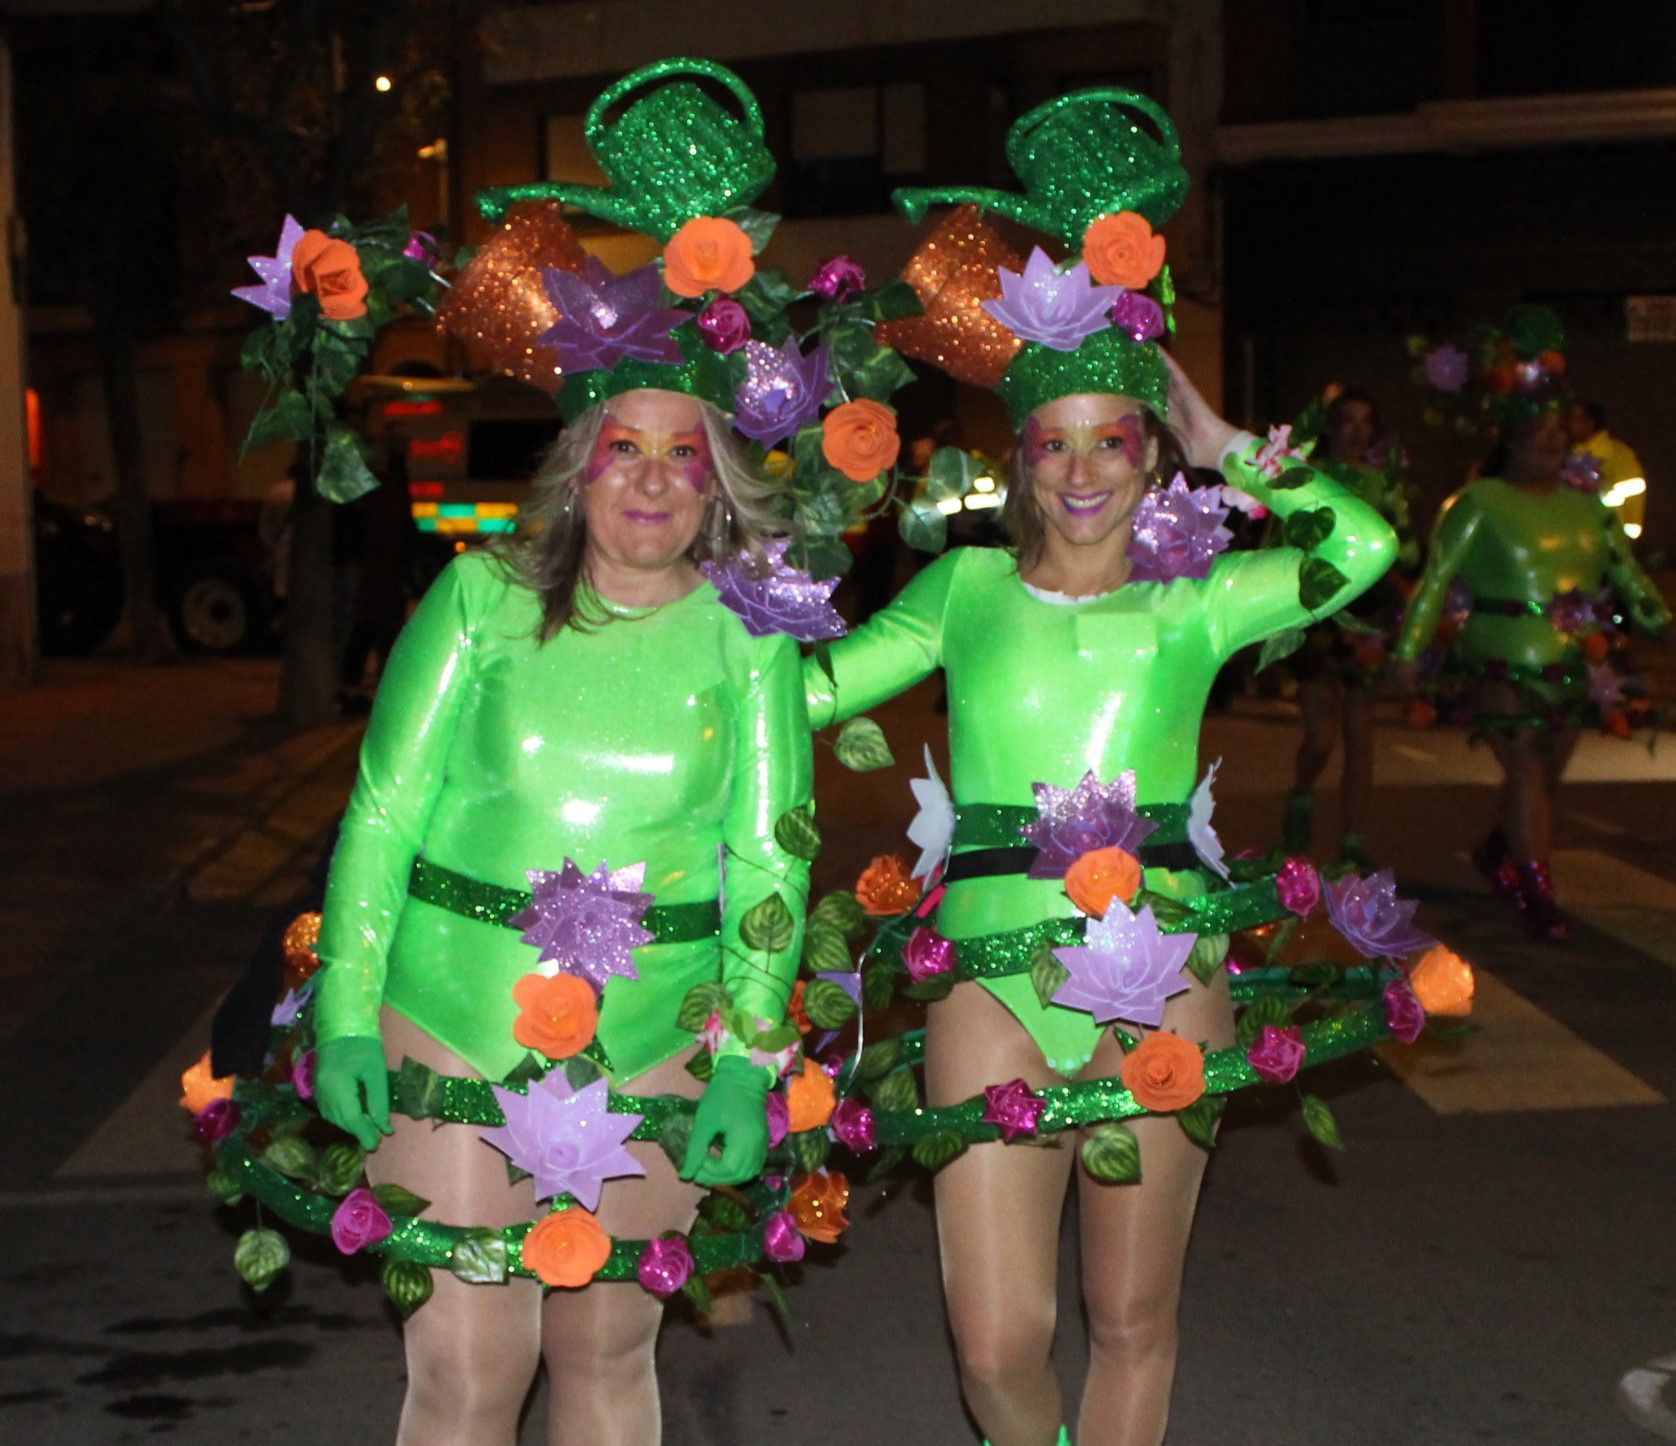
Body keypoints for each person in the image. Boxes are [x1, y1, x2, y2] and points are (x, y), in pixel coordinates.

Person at [192, 59, 896, 1446]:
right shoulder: (480, 598)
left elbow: (770, 854)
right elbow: (381, 815)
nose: (647, 476)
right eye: (621, 447)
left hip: (658, 1038)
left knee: (607, 1362)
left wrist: (751, 1060)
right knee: (465, 1370)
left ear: (719, 483)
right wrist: (345, 1011)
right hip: (452, 1011)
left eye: (682, 455)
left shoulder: (751, 639)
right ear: (578, 465)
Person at [814, 90, 1401, 1446]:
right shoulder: (961, 591)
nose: (1083, 469)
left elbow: (1359, 549)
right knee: (999, 1340)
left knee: (1133, 1320)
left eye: (1115, 439)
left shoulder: (1200, 595)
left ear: (1148, 457)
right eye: (1055, 440)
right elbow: (812, 686)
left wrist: (1224, 444)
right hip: (989, 978)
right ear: (1019, 453)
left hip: (1164, 972)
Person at [1397, 315, 1667, 940]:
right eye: (1539, 432)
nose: (1552, 442)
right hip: (1499, 653)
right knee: (1523, 768)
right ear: (1512, 440)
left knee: (1547, 775)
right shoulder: (1478, 502)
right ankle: (1539, 895)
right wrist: (1409, 650)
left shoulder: (1586, 507)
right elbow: (1436, 578)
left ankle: (1503, 850)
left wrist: (1662, 621)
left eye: (1558, 433)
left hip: (1574, 657)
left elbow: (1626, 575)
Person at [1283, 385, 1418, 866]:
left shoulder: (1381, 483)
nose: (1357, 431)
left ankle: (1352, 840)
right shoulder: (1310, 478)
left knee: (1361, 738)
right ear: (1332, 428)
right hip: (1319, 616)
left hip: (1367, 619)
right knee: (1321, 736)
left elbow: (1405, 547)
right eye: (1347, 421)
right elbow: (1285, 540)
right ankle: (1301, 791)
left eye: (1366, 421)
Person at [1567, 399, 1648, 540]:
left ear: (1590, 423)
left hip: (1610, 538)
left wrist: (1628, 537)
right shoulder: (1570, 454)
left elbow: (1634, 497)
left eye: (1576, 418)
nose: (1570, 423)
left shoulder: (1618, 454)